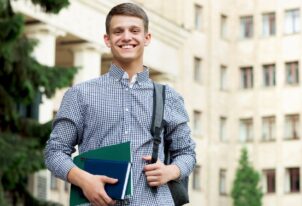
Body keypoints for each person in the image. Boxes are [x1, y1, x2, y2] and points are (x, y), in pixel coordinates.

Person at [44, 3, 196, 206]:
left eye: (134, 30)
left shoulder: (169, 97)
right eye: (118, 31)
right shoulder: (80, 95)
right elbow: (54, 151)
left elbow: (187, 153)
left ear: (147, 38)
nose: (126, 37)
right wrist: (84, 180)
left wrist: (170, 171)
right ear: (107, 39)